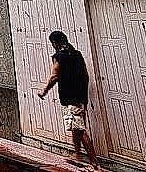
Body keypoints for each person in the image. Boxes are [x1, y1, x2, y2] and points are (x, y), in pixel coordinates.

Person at [37, 30, 100, 170]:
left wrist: (44, 91)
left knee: (80, 130)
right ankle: (77, 155)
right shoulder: (77, 54)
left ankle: (95, 163)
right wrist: (83, 95)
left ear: (54, 43)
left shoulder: (59, 56)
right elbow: (86, 75)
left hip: (70, 99)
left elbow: (54, 76)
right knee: (75, 128)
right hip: (80, 97)